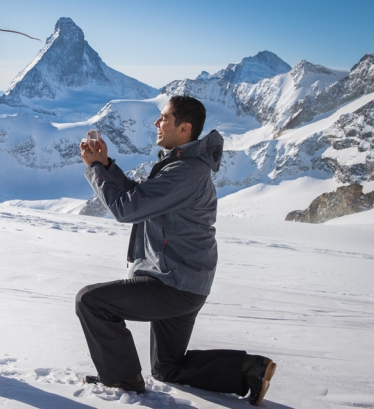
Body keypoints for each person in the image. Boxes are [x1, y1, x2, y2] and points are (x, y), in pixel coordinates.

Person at [75, 95, 276, 405]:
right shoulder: (181, 166)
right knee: (168, 367)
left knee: (90, 301)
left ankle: (123, 378)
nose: (157, 123)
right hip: (185, 281)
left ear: (184, 128)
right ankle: (248, 369)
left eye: (164, 119)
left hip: (172, 284)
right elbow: (139, 195)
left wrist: (94, 171)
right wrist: (105, 165)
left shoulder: (186, 172)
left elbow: (128, 209)